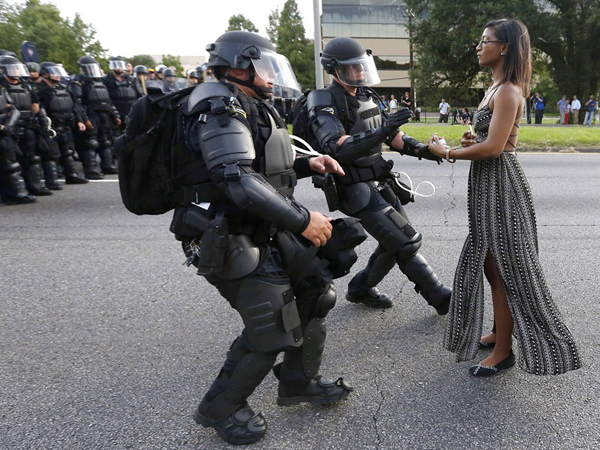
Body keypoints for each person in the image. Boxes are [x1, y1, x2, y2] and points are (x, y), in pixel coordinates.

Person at [173, 31, 353, 444]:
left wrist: (310, 164)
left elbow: (263, 165)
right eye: (265, 66)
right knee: (271, 327)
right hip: (229, 233)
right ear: (239, 66)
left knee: (315, 292)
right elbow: (237, 179)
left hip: (262, 226)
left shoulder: (246, 104)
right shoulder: (218, 105)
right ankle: (220, 408)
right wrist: (304, 219)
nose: (272, 76)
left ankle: (298, 380)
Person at [428, 19, 581, 377]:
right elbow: (488, 140)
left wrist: (447, 151)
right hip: (488, 185)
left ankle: (504, 351)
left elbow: (496, 148)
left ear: (505, 47)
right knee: (490, 264)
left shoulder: (509, 90)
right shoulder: (495, 87)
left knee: (505, 270)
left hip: (501, 187)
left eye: (486, 41)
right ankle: (500, 331)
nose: (479, 47)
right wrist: (471, 141)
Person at [307, 36, 452, 312]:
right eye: (354, 67)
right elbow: (335, 147)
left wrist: (425, 151)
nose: (361, 71)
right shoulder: (322, 100)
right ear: (335, 69)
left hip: (379, 181)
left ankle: (361, 288)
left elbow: (393, 135)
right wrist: (383, 131)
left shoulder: (366, 96)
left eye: (362, 65)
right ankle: (440, 297)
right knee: (406, 241)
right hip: (353, 187)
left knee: (394, 242)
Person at [0, 55, 52, 196]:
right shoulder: (2, 85)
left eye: (17, 68)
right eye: (13, 69)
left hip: (27, 126)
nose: (16, 71)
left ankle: (34, 186)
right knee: (10, 162)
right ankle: (11, 193)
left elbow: (35, 105)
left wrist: (40, 122)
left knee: (32, 158)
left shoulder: (25, 84)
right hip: (9, 128)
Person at [69, 55, 121, 178]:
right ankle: (91, 170)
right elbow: (77, 103)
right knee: (90, 143)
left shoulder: (100, 81)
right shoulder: (78, 82)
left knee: (106, 141)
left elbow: (108, 100)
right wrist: (84, 119)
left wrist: (115, 115)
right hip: (90, 113)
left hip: (104, 114)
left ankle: (108, 165)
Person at [37, 61, 89, 185]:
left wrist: (79, 121)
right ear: (44, 75)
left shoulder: (63, 88)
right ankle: (52, 181)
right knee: (51, 155)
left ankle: (72, 176)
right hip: (51, 127)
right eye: (53, 73)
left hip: (66, 125)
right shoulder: (40, 90)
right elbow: (38, 109)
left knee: (68, 152)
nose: (57, 75)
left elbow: (74, 106)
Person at [0, 82, 37, 204]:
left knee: (10, 164)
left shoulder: (2, 89)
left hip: (4, 132)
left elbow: (13, 109)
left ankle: (14, 194)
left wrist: (8, 126)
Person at [103, 57, 140, 128]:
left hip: (131, 112)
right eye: (116, 65)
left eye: (120, 65)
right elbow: (105, 98)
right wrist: (114, 114)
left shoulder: (132, 80)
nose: (119, 67)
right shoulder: (106, 80)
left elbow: (140, 96)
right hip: (114, 114)